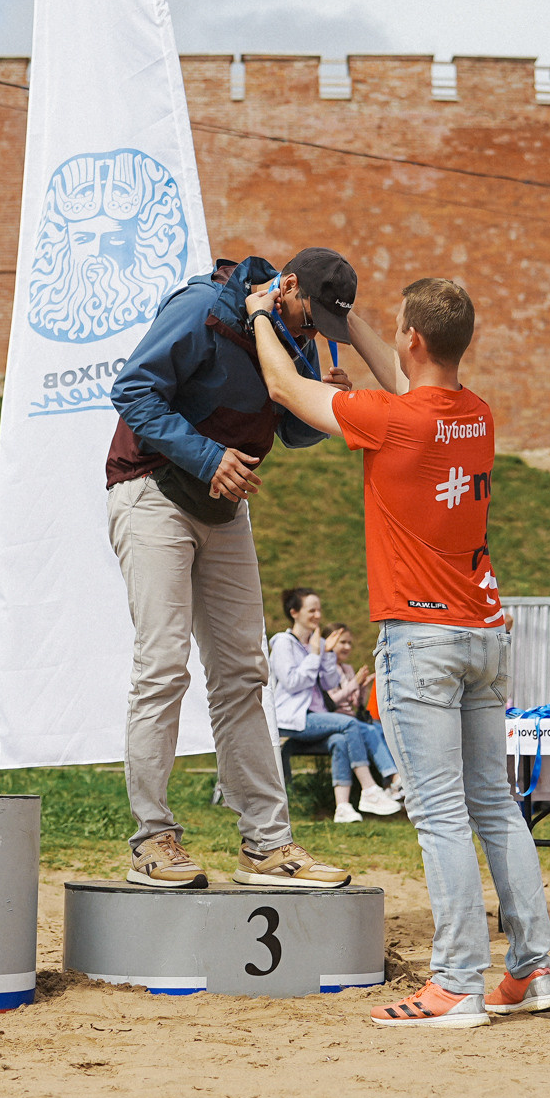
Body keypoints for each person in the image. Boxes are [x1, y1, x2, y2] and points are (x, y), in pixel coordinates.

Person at [252, 274, 550, 1029]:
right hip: (485, 634)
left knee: (443, 816)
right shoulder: (474, 415)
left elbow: (285, 388)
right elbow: (409, 387)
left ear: (413, 339)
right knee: (494, 806)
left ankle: (456, 982)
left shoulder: (391, 421)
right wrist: (349, 320)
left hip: (423, 641)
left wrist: (260, 314)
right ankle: (531, 968)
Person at [107, 248, 360, 891]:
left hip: (223, 505)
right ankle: (152, 839)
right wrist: (205, 455)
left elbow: (291, 425)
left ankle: (266, 846)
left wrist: (321, 404)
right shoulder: (202, 310)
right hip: (152, 490)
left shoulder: (285, 328)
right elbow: (132, 388)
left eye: (324, 331)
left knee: (244, 675)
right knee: (163, 664)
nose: (312, 336)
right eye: (310, 318)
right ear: (289, 285)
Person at [268, 588, 401, 823]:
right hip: (292, 718)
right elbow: (292, 682)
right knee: (350, 724)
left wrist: (326, 654)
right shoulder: (282, 643)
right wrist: (315, 655)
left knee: (340, 740)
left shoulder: (317, 643)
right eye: (311, 610)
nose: (318, 615)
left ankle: (342, 807)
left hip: (316, 717)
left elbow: (329, 682)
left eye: (319, 610)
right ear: (294, 613)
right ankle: (370, 789)